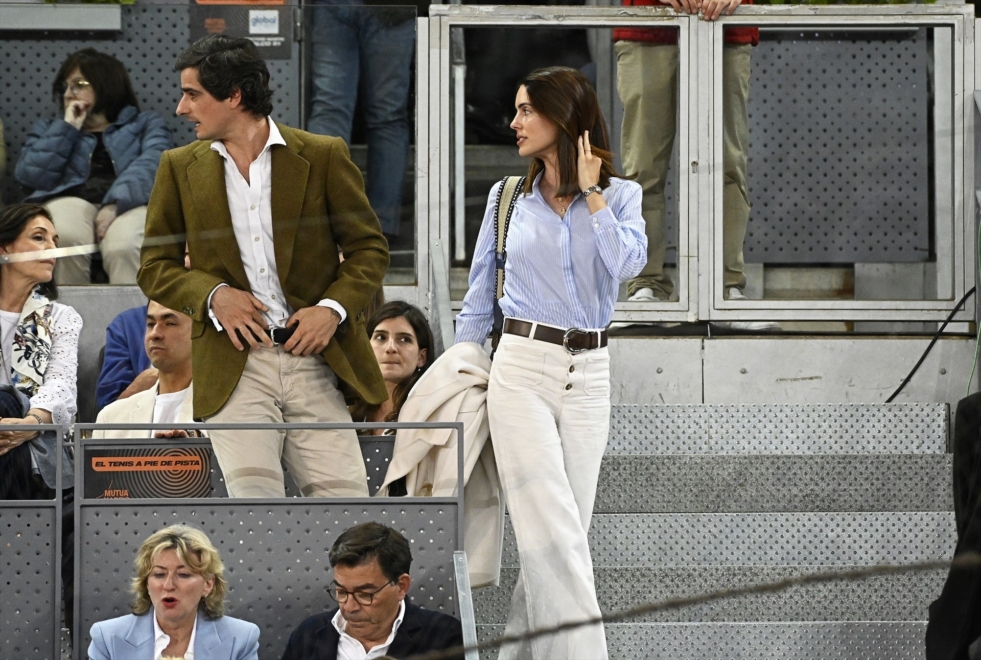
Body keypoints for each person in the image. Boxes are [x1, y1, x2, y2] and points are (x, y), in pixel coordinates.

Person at [139, 35, 389, 498]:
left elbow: (369, 250)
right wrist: (214, 296)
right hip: (235, 367)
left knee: (348, 508)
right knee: (257, 514)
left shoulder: (323, 154)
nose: (180, 108)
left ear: (234, 95)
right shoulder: (177, 166)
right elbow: (154, 267)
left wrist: (331, 309)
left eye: (193, 94)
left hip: (314, 360)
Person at [454, 67, 646, 659]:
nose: (513, 123)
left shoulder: (620, 196)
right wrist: (460, 369)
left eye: (525, 111)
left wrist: (592, 194)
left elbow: (628, 266)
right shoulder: (505, 198)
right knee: (554, 534)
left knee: (560, 538)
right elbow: (479, 294)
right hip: (521, 366)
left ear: (563, 117)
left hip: (589, 373)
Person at [614, 0, 778, 331]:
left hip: (725, 24)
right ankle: (645, 285)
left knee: (726, 162)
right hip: (649, 20)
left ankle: (725, 288)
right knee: (643, 167)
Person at [14, 48, 174, 285]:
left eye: (79, 84)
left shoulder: (145, 124)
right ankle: (67, 320)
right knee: (65, 237)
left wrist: (115, 203)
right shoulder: (49, 128)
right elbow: (30, 176)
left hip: (131, 203)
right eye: (65, 87)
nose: (69, 93)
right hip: (70, 201)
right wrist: (67, 128)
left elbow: (153, 166)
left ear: (105, 85)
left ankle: (130, 321)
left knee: (126, 243)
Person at [0, 203, 82, 634]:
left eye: (55, 240)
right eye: (39, 237)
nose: (52, 248)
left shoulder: (60, 317)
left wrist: (29, 421)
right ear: (4, 247)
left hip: (37, 454)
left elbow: (63, 387)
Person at [307, 0, 424, 241]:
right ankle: (380, 227)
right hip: (391, 10)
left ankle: (322, 221)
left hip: (340, 7)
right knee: (387, 117)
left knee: (330, 109)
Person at [281, 522, 463, 660]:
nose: (349, 608)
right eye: (341, 592)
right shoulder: (309, 634)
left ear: (401, 586)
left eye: (364, 594)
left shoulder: (443, 638)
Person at [87, 524, 260, 660]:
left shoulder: (240, 639)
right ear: (146, 583)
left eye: (183, 574)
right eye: (159, 574)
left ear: (208, 584)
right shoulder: (109, 638)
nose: (168, 585)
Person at [94, 300, 196, 439]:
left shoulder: (228, 411)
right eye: (150, 324)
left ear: (200, 333)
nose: (155, 334)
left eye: (170, 323)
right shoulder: (110, 418)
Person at [350, 300, 434, 433]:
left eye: (404, 339)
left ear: (421, 357)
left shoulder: (432, 414)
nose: (390, 348)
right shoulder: (346, 412)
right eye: (381, 337)